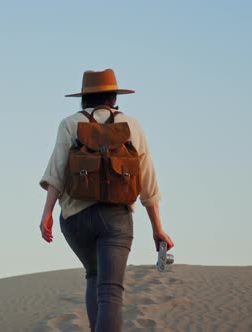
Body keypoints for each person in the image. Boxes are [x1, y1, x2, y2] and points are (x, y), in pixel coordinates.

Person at [38, 69, 174, 332]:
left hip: (75, 217)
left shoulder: (70, 123)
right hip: (116, 218)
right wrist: (158, 228)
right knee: (110, 291)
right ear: (113, 97)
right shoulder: (132, 125)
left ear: (84, 98)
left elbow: (56, 172)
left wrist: (46, 213)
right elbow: (148, 180)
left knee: (94, 274)